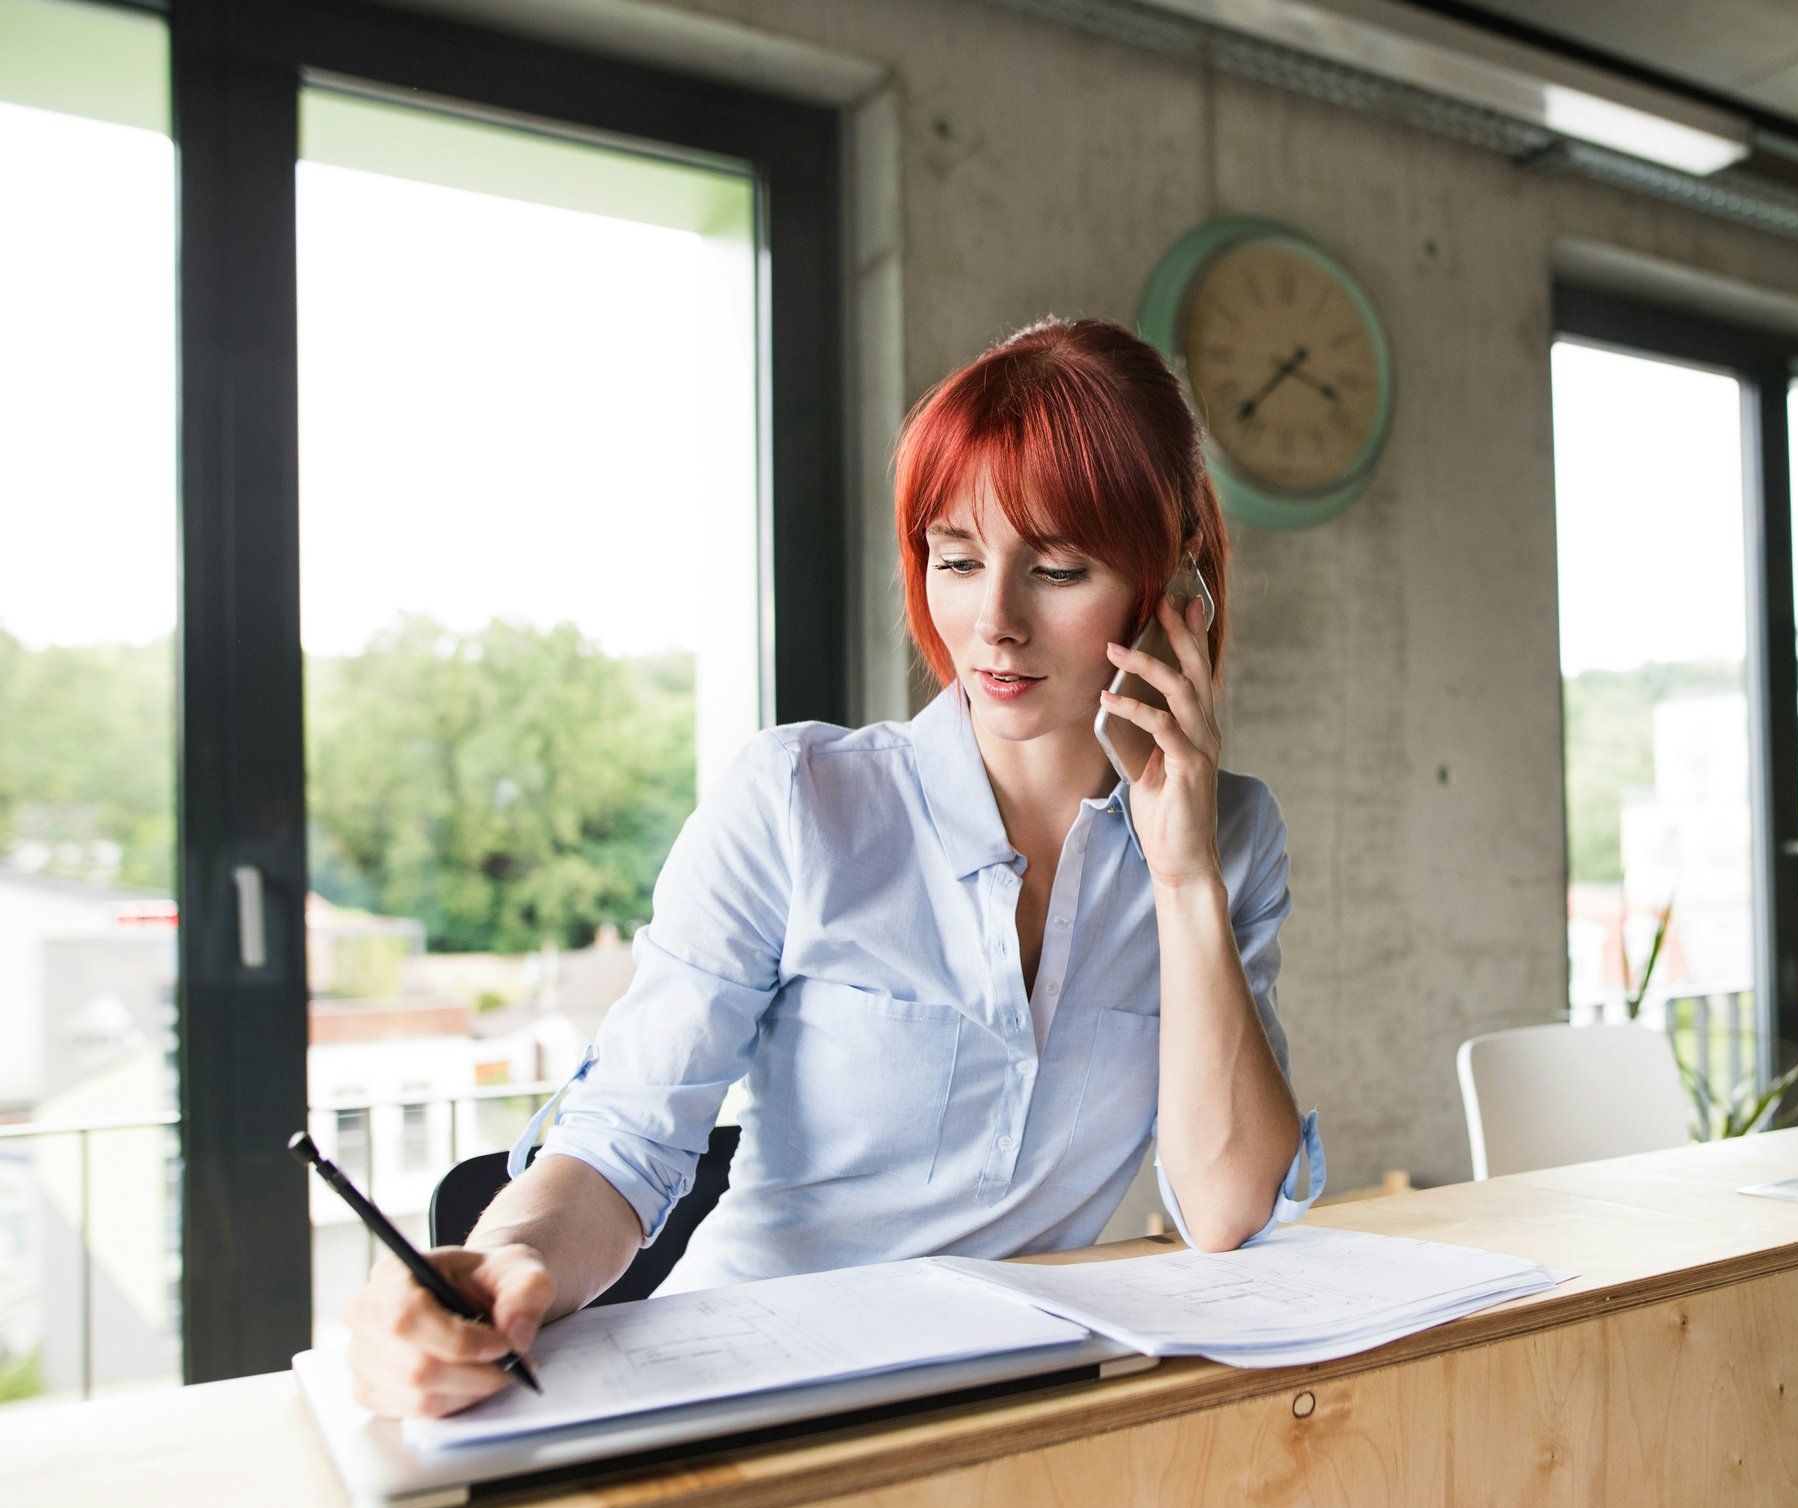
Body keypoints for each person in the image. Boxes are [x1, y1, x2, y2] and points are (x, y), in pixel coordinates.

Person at [348, 318, 1320, 1419]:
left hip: (1013, 1403)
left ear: (1168, 591)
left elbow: (1227, 1208)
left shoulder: (1232, 838)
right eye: (954, 560)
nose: (991, 622)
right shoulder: (796, 800)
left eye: (1055, 567)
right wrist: (502, 1260)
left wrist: (1182, 873)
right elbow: (624, 1134)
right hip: (756, 1396)